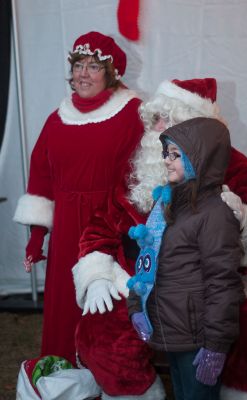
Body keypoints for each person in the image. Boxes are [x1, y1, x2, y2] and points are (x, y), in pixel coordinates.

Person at [14, 31, 165, 399]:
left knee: (105, 307)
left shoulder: (131, 112)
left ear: (109, 72)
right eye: (78, 65)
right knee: (65, 301)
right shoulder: (58, 117)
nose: (83, 73)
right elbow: (41, 176)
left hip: (109, 227)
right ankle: (63, 377)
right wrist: (37, 237)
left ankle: (109, 376)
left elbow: (143, 173)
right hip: (67, 226)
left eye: (93, 66)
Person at [128, 78, 247, 400]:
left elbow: (222, 282)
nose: (165, 160)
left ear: (197, 155)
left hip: (198, 334)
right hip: (172, 330)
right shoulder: (169, 205)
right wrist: (138, 307)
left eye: (174, 154)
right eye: (166, 153)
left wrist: (216, 346)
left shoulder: (214, 211)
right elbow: (149, 262)